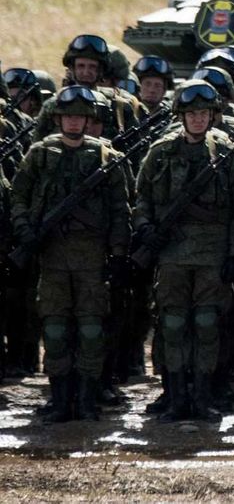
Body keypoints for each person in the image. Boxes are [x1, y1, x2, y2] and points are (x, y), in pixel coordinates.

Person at [9, 85, 130, 422]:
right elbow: (19, 196)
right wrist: (24, 230)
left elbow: (121, 211)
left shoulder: (107, 158)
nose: (74, 121)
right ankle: (60, 399)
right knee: (55, 329)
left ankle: (87, 399)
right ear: (58, 119)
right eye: (68, 116)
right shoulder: (39, 154)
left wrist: (118, 254)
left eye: (80, 116)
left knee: (91, 330)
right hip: (52, 255)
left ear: (88, 119)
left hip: (92, 256)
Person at [132, 80, 234, 422]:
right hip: (171, 253)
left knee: (207, 324)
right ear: (181, 116)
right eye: (192, 113)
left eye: (203, 113)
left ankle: (203, 395)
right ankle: (174, 396)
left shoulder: (226, 153)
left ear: (212, 116)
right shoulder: (162, 152)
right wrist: (145, 228)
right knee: (172, 324)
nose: (198, 119)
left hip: (212, 253)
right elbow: (142, 197)